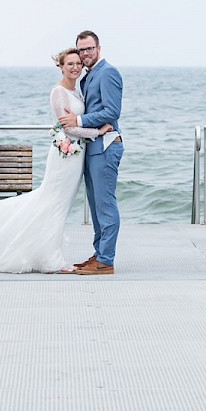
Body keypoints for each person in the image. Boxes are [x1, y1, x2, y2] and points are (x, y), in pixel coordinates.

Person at [0, 48, 112, 273]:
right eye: (70, 64)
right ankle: (52, 260)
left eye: (78, 63)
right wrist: (97, 132)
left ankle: (44, 252)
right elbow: (68, 127)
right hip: (64, 157)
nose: (75, 67)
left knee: (60, 205)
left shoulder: (77, 92)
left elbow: (77, 121)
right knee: (53, 203)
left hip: (75, 156)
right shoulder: (58, 92)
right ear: (61, 67)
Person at [59, 30, 123, 275]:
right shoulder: (88, 77)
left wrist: (78, 119)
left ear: (99, 48)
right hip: (92, 147)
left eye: (89, 48)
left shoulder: (108, 73)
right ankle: (99, 254)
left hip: (106, 145)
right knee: (96, 206)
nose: (85, 53)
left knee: (105, 206)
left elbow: (112, 111)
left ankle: (106, 260)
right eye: (81, 49)